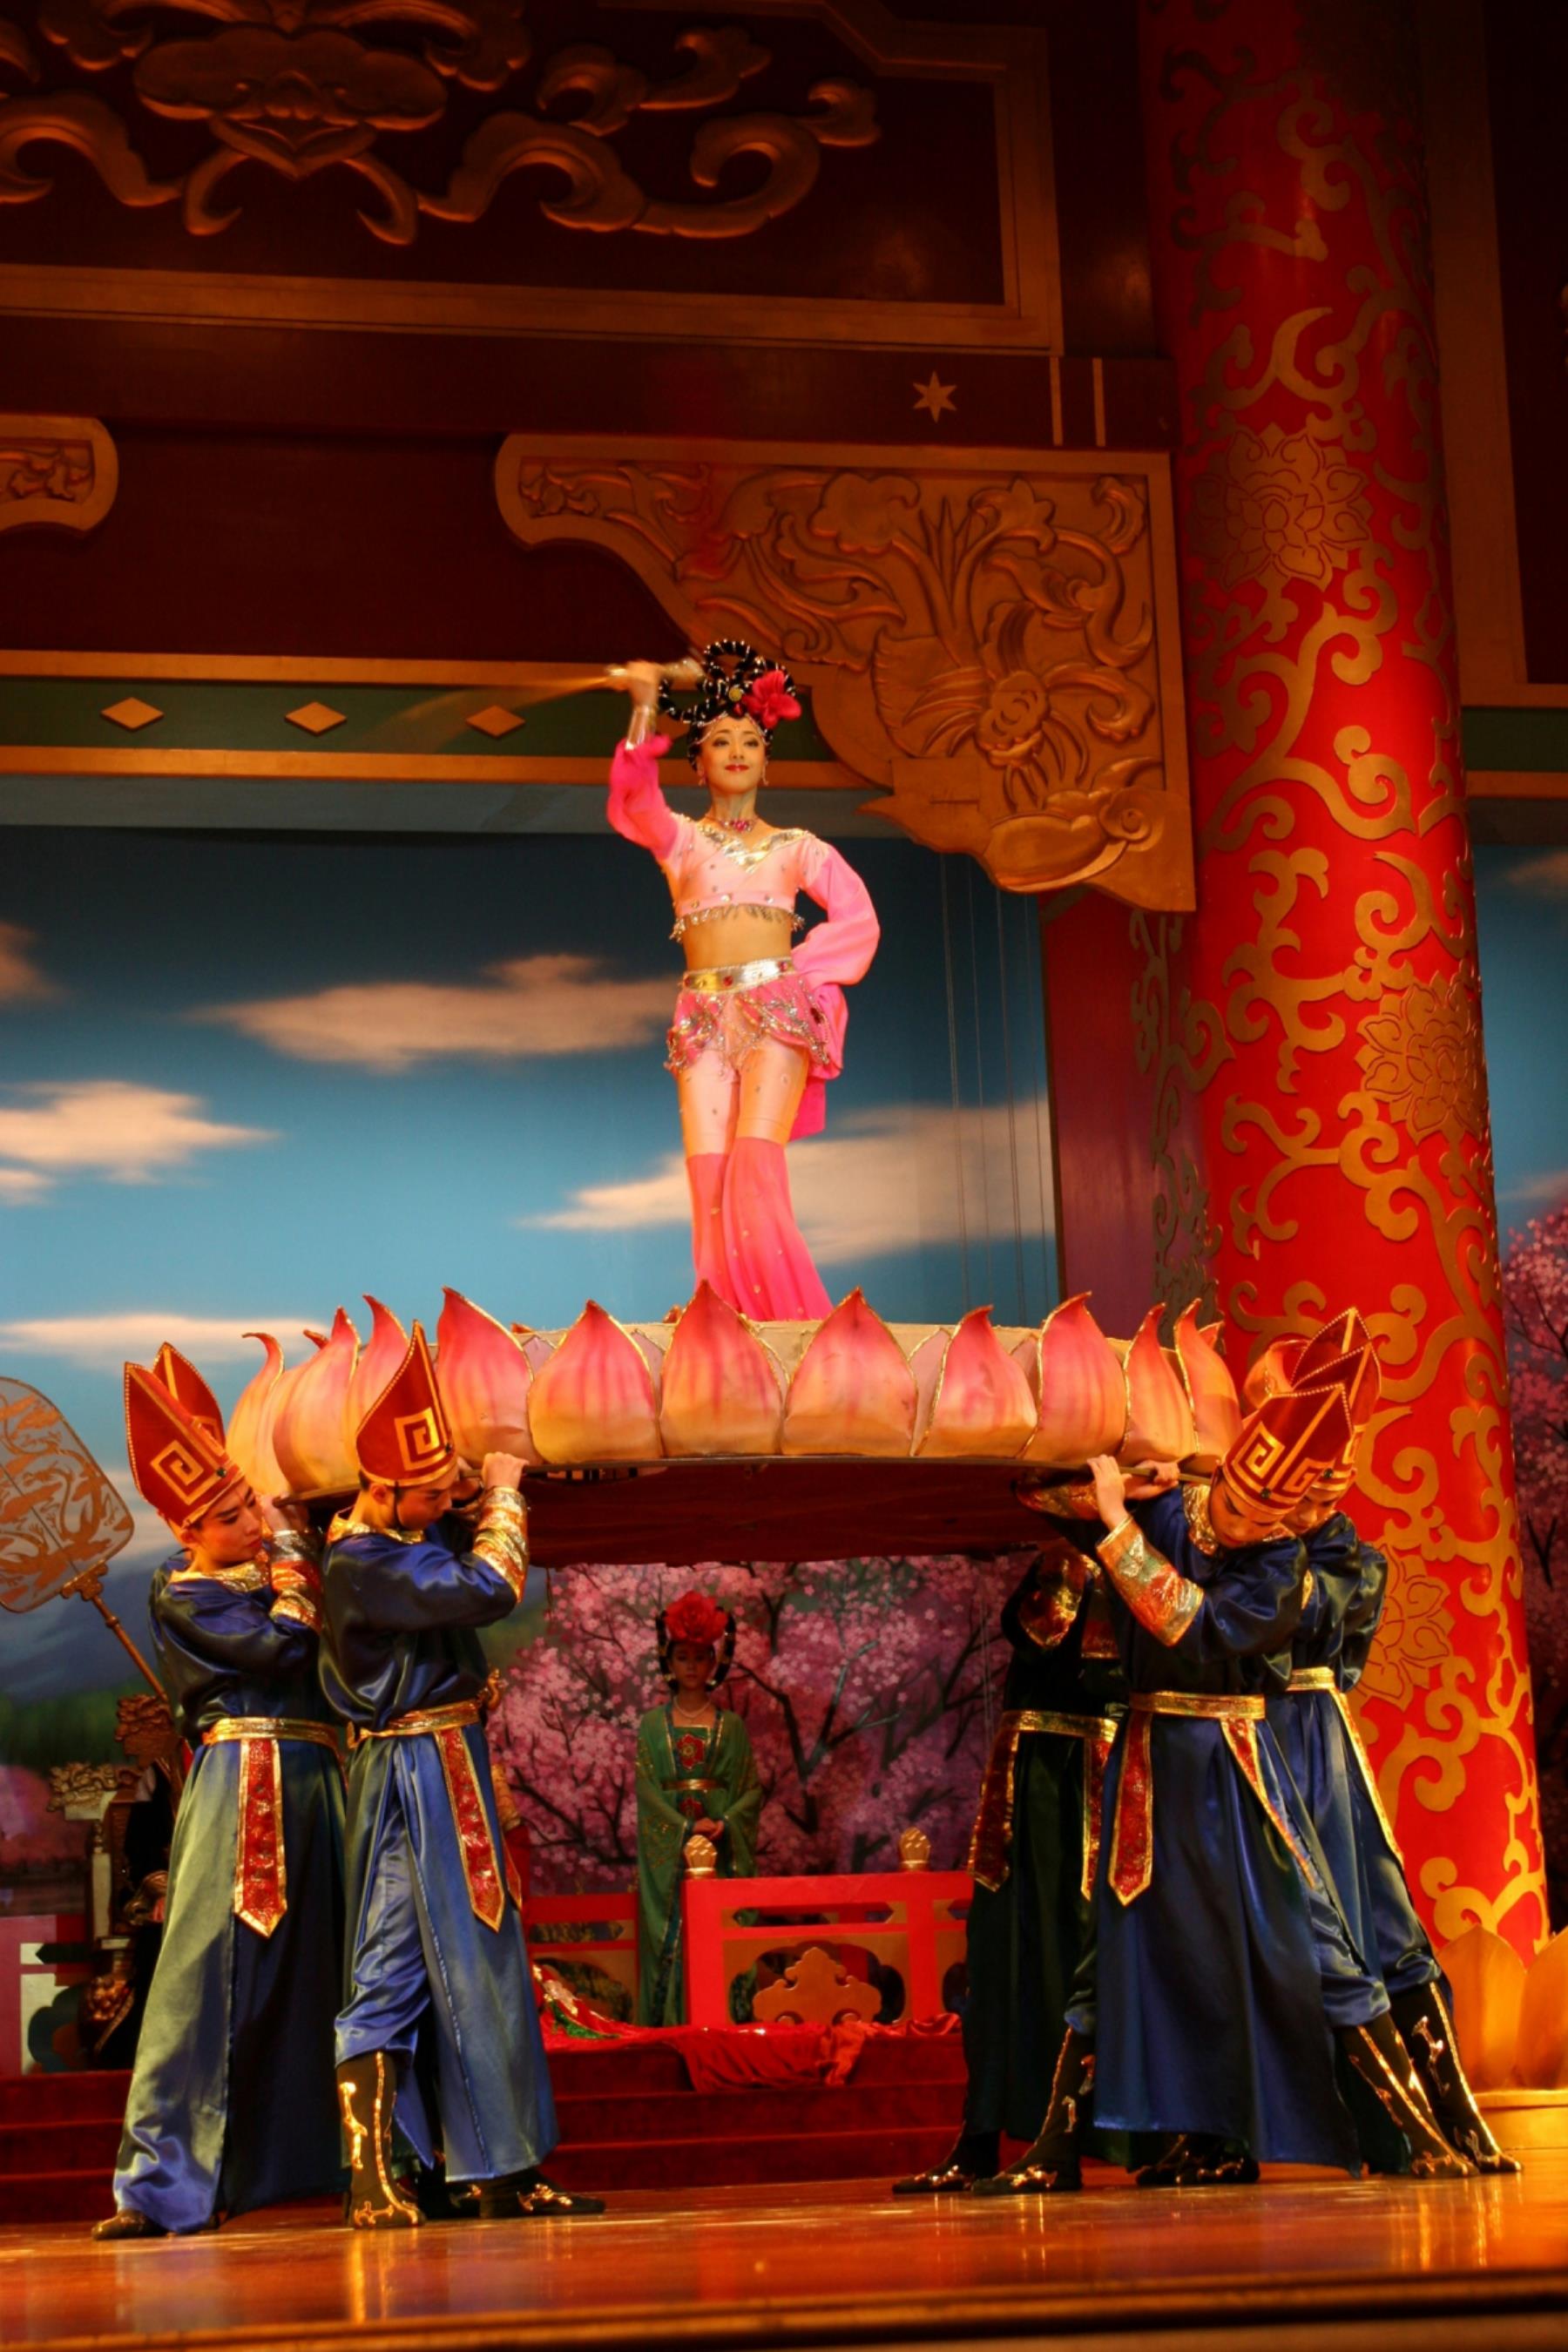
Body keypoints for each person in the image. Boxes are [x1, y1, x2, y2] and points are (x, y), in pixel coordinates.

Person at [983, 1343, 1472, 2194]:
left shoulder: (1280, 1565)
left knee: (1317, 1939)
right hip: (1148, 1767)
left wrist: (1119, 1528)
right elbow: (1034, 1493)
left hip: (1239, 1763)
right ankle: (1054, 2151)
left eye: (1269, 1513)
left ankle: (1424, 2132)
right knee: (1113, 1953)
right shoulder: (1173, 1509)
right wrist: (1127, 1485)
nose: (1246, 1525)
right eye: (1240, 1503)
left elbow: (1194, 1626)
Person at [321, 1324, 601, 2227]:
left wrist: (469, 1488)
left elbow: (444, 1541)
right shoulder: (363, 1562)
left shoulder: (399, 1538)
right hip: (413, 1772)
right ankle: (376, 2174)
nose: (450, 1501)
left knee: (480, 1959)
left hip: (447, 1761)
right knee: (395, 1967)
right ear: (381, 1488)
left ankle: (498, 2169)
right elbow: (491, 1589)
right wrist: (506, 1498)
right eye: (434, 1491)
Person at [1254, 1318, 1519, 2175]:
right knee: (1291, 1934)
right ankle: (1341, 2131)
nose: (1324, 1480)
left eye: (1336, 1462)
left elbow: (1329, 1646)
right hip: (1250, 1743)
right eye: (1309, 1461)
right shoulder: (1243, 1549)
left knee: (1388, 1925)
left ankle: (1456, 2119)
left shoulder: (1353, 1560)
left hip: (1320, 1741)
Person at [94, 1350, 344, 2239]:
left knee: (327, 1965)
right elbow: (279, 1651)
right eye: (229, 1515)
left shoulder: (282, 1570)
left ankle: (327, 2160)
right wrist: (298, 1575)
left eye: (249, 1504)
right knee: (205, 1973)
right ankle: (163, 2182)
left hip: (317, 1781)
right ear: (186, 1527)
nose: (251, 1522)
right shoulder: (182, 1589)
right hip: (241, 1778)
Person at [609, 639, 879, 1318]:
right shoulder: (681, 841)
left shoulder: (798, 847)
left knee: (755, 1167)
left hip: (775, 1015)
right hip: (701, 1019)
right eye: (720, 741)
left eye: (751, 741)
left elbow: (859, 918)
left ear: (767, 761)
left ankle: (786, 1324)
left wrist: (801, 977)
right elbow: (634, 799)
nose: (737, 751)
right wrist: (644, 706)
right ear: (697, 762)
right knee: (710, 1179)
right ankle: (720, 1313)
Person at [893, 1539, 1124, 2193]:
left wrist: (1082, 1555)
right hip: (1029, 1765)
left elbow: (1045, 1633)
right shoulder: (1070, 1553)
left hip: (1078, 1774)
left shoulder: (1125, 1555)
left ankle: (1066, 2139)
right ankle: (981, 2137)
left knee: (1070, 1950)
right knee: (999, 1959)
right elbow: (1029, 1630)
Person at [636, 1589, 760, 2025]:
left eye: (700, 1657)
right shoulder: (652, 1726)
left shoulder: (732, 1727)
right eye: (682, 1657)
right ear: (668, 1662)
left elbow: (750, 1790)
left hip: (722, 1851)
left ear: (714, 1663)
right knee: (674, 1935)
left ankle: (727, 2020)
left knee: (720, 1932)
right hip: (672, 1855)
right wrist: (686, 1827)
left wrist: (724, 1822)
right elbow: (648, 1791)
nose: (691, 1666)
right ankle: (669, 2025)